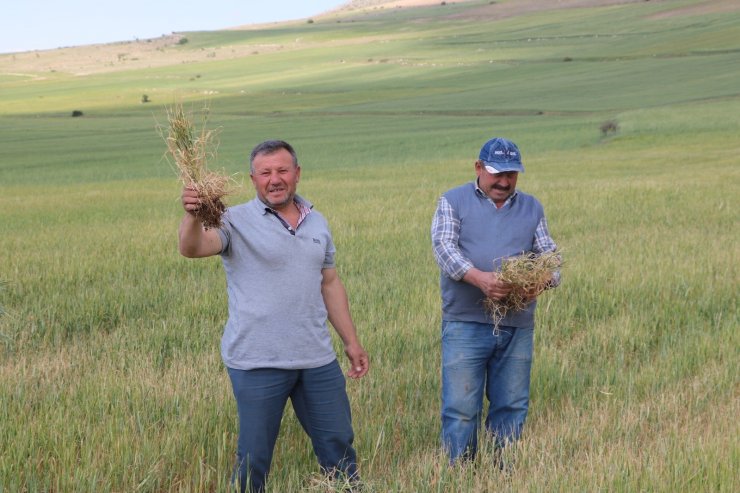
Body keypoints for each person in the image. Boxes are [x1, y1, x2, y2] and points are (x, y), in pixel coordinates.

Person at [178, 140, 370, 493]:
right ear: (253, 179)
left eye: (282, 170)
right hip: (257, 360)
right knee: (254, 456)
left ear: (297, 174)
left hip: (316, 358)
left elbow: (329, 283)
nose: (275, 179)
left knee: (338, 443)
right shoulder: (233, 220)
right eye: (265, 173)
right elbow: (193, 248)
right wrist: (192, 215)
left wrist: (351, 341)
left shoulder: (317, 221)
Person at [431, 137, 560, 464]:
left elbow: (550, 258)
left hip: (517, 324)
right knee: (460, 407)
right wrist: (481, 279)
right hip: (465, 322)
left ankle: (505, 469)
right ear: (478, 168)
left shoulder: (532, 207)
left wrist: (540, 281)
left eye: (511, 174)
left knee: (512, 403)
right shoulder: (453, 201)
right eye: (496, 173)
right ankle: (459, 473)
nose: (503, 181)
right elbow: (445, 250)